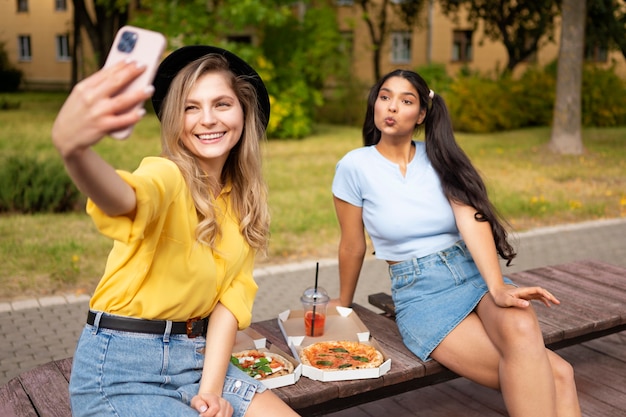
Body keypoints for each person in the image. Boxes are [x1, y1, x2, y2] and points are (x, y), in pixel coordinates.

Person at [52, 45, 299, 417]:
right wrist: (75, 151)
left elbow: (227, 307)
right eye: (190, 107)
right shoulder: (167, 174)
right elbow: (126, 199)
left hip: (198, 361)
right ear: (175, 121)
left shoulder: (243, 203)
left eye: (222, 104)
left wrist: (211, 392)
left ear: (244, 113)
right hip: (123, 368)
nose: (208, 119)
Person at [331, 69, 582, 417]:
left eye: (406, 101)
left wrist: (497, 287)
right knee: (558, 374)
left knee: (523, 324)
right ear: (374, 103)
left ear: (420, 115)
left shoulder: (440, 156)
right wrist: (342, 304)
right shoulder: (354, 166)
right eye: (385, 97)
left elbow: (471, 219)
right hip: (421, 292)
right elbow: (352, 245)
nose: (391, 107)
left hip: (471, 274)